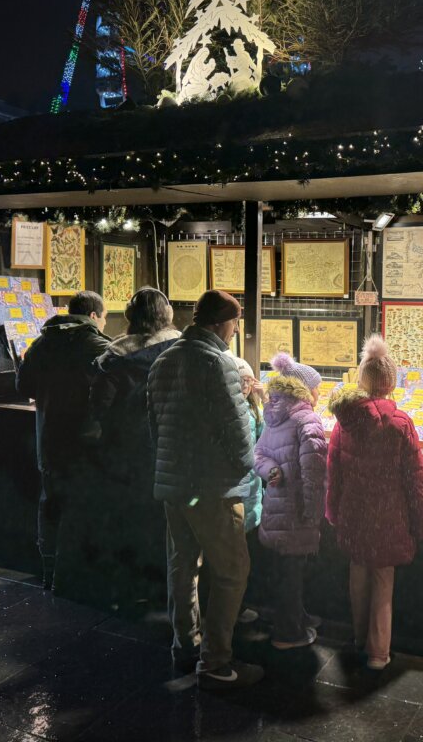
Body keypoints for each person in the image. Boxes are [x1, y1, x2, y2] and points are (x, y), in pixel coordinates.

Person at [147, 289, 260, 690]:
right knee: (232, 571)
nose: (234, 331)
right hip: (213, 488)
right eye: (234, 322)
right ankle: (215, 661)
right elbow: (237, 431)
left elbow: (155, 426)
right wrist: (250, 468)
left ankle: (185, 644)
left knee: (183, 566)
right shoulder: (219, 363)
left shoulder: (163, 360)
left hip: (174, 487)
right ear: (219, 323)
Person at [326, 334, 423, 671]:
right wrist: (422, 523)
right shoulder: (400, 425)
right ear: (391, 383)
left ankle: (358, 638)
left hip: (354, 516)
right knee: (383, 583)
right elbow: (416, 479)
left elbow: (334, 472)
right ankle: (378, 653)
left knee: (357, 574)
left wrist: (333, 513)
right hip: (390, 519)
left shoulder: (343, 423)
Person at [88, 288, 181, 604]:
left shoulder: (115, 356)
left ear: (129, 316)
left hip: (124, 451)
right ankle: (162, 586)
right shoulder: (179, 348)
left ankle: (132, 588)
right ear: (166, 315)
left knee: (127, 519)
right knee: (165, 520)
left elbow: (99, 405)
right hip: (169, 446)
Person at [16, 290, 109, 591]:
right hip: (87, 443)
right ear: (94, 316)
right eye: (105, 318)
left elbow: (23, 385)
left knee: (51, 505)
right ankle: (76, 577)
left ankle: (50, 571)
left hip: (50, 440)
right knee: (83, 507)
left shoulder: (43, 343)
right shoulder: (99, 346)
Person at [254, 353, 328, 649]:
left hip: (275, 506)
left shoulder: (273, 415)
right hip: (296, 509)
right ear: (305, 390)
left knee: (284, 568)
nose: (320, 393)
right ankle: (288, 633)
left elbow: (257, 455)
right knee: (292, 573)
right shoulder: (307, 420)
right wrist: (313, 513)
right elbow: (313, 473)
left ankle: (297, 616)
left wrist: (271, 471)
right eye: (317, 387)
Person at [230, 355, 265, 626]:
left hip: (251, 492)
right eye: (239, 379)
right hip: (240, 491)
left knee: (244, 555)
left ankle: (241, 605)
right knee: (236, 558)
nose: (244, 384)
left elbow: (263, 440)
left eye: (248, 379)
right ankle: (236, 609)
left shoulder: (254, 410)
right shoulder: (233, 410)